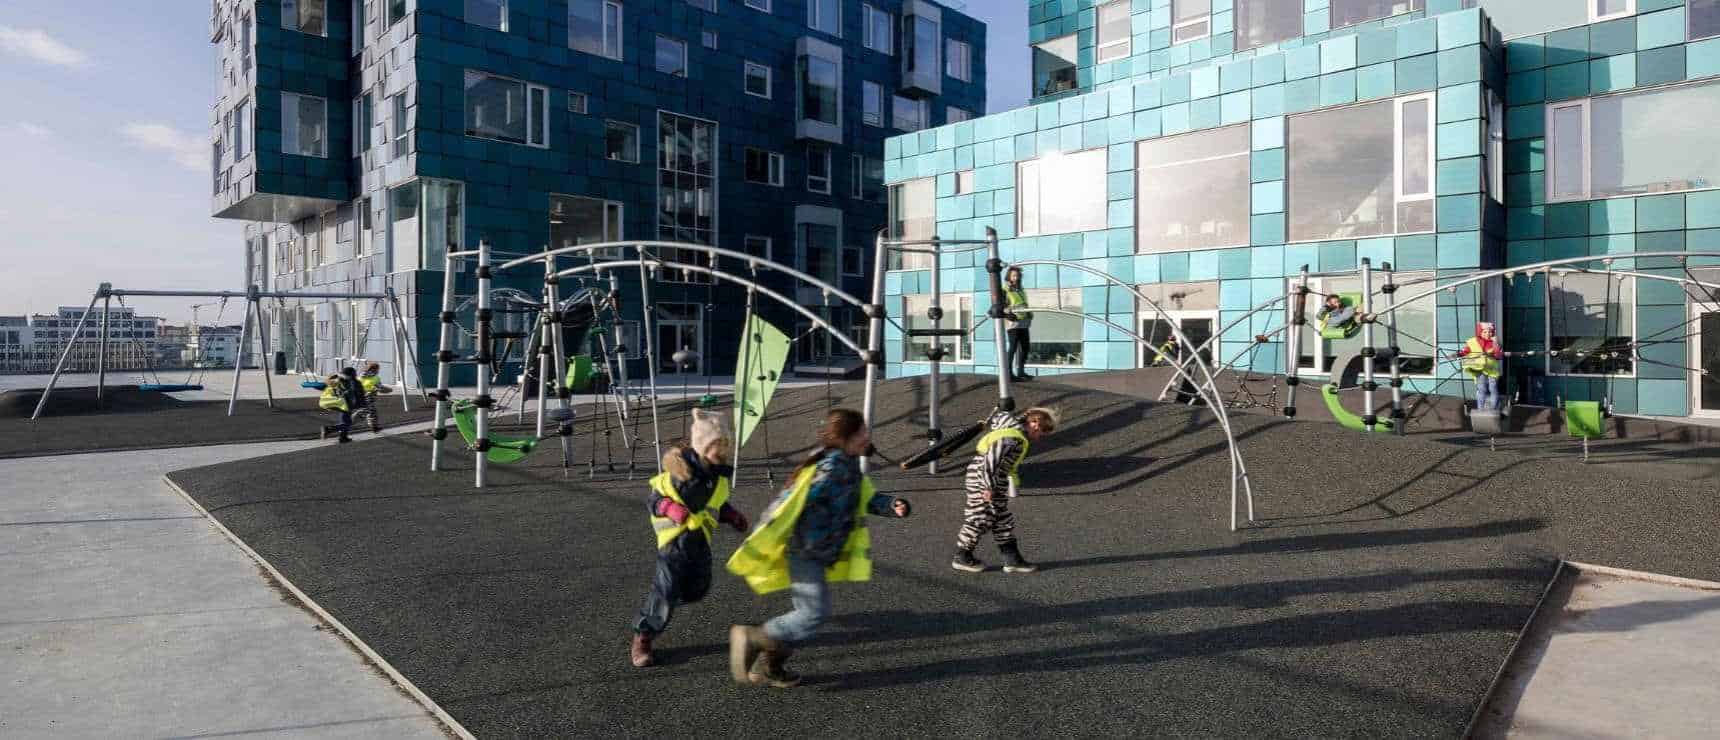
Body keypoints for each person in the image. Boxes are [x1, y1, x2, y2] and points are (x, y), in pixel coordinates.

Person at [726, 408, 912, 688]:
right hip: (806, 552)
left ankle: (770, 666)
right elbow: (793, 501)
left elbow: (863, 496)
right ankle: (756, 636)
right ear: (846, 438)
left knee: (807, 613)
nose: (867, 436)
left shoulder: (845, 464)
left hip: (815, 551)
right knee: (813, 613)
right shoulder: (831, 468)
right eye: (862, 431)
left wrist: (889, 505)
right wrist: (778, 530)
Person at [630, 408, 750, 668]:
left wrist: (731, 515)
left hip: (699, 542)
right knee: (666, 590)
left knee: (699, 588)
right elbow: (654, 499)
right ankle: (644, 635)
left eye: (726, 445)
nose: (723, 451)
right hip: (674, 543)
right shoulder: (678, 476)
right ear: (702, 446)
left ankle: (666, 602)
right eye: (717, 445)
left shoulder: (716, 479)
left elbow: (718, 503)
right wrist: (668, 508)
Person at [951, 406, 1059, 575]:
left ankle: (1012, 560)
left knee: (1002, 519)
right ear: (1034, 423)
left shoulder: (1013, 434)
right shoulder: (1011, 437)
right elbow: (990, 461)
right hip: (984, 479)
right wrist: (987, 486)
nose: (1039, 438)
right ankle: (962, 556)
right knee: (980, 516)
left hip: (993, 480)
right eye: (1041, 433)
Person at [1456, 321, 1504, 412]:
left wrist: (1495, 346)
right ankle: (1480, 409)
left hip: (1492, 369)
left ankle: (1493, 409)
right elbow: (1465, 351)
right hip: (1479, 368)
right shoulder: (1473, 341)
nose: (1488, 334)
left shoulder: (1494, 342)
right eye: (1485, 332)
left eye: (1490, 332)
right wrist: (1458, 354)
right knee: (1482, 389)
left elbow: (1499, 355)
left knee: (1492, 388)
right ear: (1480, 332)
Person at [317, 367, 364, 443]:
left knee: (346, 420)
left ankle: (343, 437)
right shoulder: (349, 381)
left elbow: (323, 387)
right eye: (354, 374)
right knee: (348, 422)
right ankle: (329, 429)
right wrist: (360, 404)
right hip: (344, 403)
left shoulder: (337, 379)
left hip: (334, 402)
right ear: (351, 375)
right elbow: (352, 393)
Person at [1003, 266, 1034, 382]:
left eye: (1017, 275)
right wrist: (1008, 315)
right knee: (1013, 348)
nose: (1016, 278)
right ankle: (1009, 373)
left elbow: (1024, 304)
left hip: (1024, 322)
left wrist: (1029, 313)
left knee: (1025, 347)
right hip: (1014, 323)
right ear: (1009, 277)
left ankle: (1021, 371)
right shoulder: (1005, 289)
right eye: (1013, 276)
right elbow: (1002, 305)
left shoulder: (1020, 289)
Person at [351, 362, 391, 434]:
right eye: (377, 369)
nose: (378, 371)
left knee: (371, 412)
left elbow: (356, 386)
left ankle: (374, 427)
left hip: (360, 397)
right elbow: (380, 388)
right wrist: (389, 390)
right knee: (363, 413)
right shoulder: (375, 378)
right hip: (369, 397)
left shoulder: (360, 376)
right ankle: (344, 425)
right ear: (374, 369)